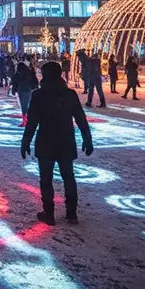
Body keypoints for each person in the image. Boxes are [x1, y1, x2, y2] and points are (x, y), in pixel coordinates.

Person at [20, 61, 94, 226]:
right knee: (68, 177)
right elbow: (81, 119)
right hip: (65, 141)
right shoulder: (69, 94)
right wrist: (87, 139)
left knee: (46, 179)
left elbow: (32, 122)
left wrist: (25, 142)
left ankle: (49, 213)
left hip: (45, 142)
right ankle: (71, 213)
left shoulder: (39, 95)